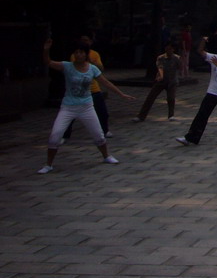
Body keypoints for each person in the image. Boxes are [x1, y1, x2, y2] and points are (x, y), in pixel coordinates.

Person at [39, 38, 134, 174]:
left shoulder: (92, 68)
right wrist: (46, 50)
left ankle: (106, 156)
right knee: (55, 135)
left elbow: (105, 82)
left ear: (86, 54)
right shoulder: (67, 66)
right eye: (76, 52)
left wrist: (122, 94)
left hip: (86, 107)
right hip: (68, 107)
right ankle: (48, 164)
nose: (79, 55)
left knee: (99, 135)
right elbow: (48, 62)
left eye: (81, 52)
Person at [176, 35, 217, 146]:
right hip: (213, 91)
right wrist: (203, 41)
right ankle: (191, 137)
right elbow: (201, 51)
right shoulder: (214, 58)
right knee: (202, 115)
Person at [62, 34, 111, 141]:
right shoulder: (75, 55)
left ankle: (105, 130)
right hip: (78, 91)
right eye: (83, 40)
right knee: (70, 115)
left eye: (87, 40)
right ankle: (65, 135)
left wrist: (91, 61)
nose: (85, 42)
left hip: (94, 89)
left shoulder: (95, 54)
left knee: (102, 112)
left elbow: (101, 69)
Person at [135, 41, 180, 122]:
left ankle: (171, 115)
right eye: (166, 48)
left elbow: (180, 67)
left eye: (170, 48)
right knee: (150, 97)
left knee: (171, 98)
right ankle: (141, 116)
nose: (168, 50)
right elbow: (160, 67)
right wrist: (161, 76)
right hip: (161, 81)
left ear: (173, 49)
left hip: (172, 82)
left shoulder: (177, 58)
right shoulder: (161, 58)